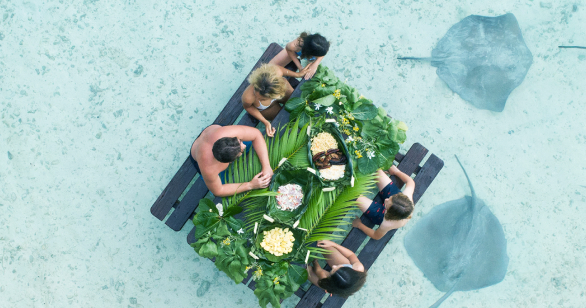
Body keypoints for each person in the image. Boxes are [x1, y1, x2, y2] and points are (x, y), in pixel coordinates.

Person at [190, 125, 273, 197]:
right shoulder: (209, 168)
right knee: (216, 187)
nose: (243, 145)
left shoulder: (228, 133)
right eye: (241, 151)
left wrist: (266, 166)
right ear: (229, 162)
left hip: (213, 132)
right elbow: (219, 191)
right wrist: (250, 185)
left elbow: (256, 135)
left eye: (240, 141)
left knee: (250, 143)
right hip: (198, 153)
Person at [242, 63, 308, 137]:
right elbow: (248, 107)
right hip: (268, 107)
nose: (258, 98)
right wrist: (265, 122)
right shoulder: (248, 97)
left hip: (281, 90)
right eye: (261, 98)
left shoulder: (275, 72)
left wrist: (298, 74)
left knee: (299, 105)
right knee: (282, 121)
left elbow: (281, 70)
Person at [352, 165, 415, 240]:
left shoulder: (387, 223)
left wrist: (359, 225)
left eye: (387, 204)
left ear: (387, 211)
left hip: (381, 215)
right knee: (374, 169)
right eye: (389, 198)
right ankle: (391, 200)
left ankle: (390, 202)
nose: (386, 200)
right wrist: (396, 172)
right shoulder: (406, 196)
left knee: (353, 195)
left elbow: (376, 236)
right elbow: (410, 182)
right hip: (395, 202)